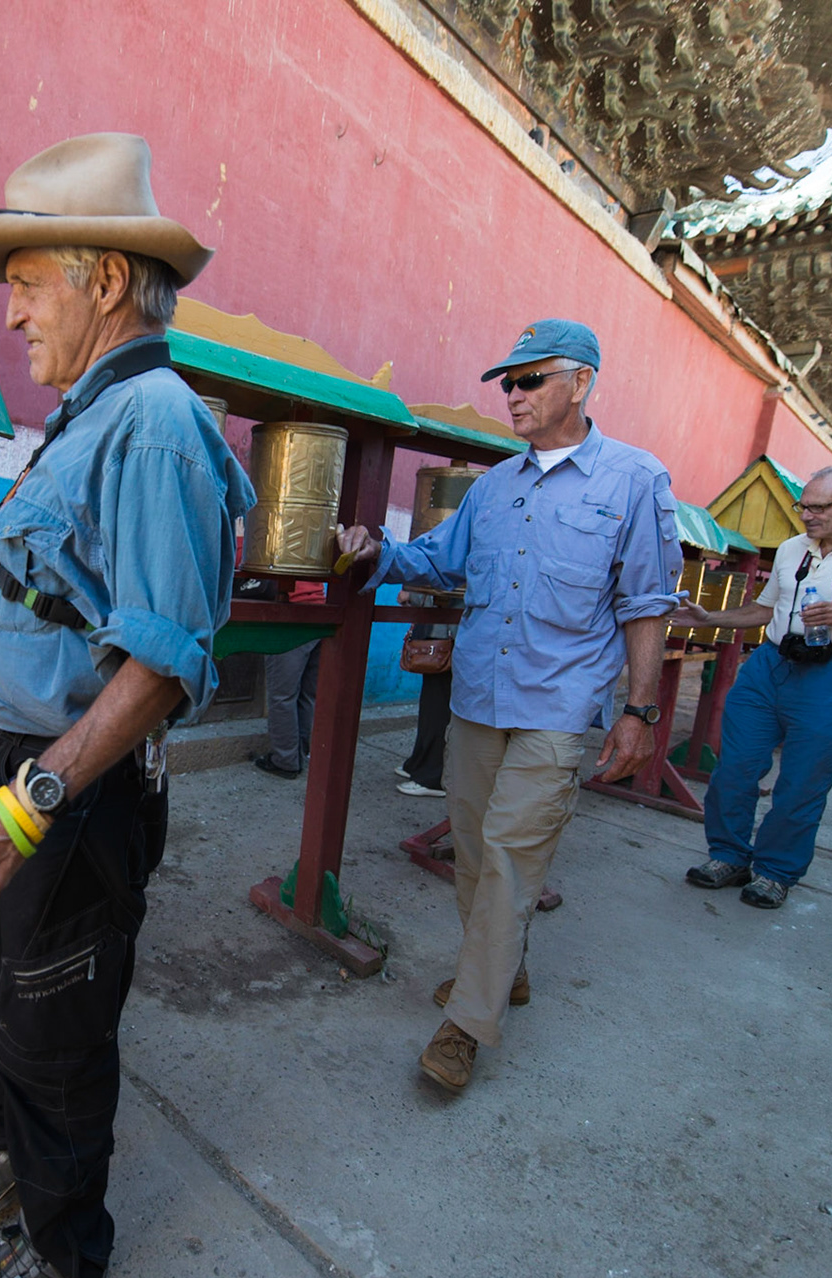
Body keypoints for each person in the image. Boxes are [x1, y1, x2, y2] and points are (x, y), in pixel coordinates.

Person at [0, 133, 254, 1278]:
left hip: (73, 779)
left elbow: (160, 663)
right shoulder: (92, 418)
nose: (11, 317)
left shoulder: (155, 422)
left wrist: (27, 805)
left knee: (53, 1036)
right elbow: (72, 588)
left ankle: (65, 1252)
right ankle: (11, 1141)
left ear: (100, 279)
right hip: (5, 748)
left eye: (25, 286)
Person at [337, 319, 681, 1092]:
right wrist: (378, 551)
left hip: (557, 710)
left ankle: (467, 1021)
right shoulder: (494, 487)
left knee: (510, 856)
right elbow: (438, 559)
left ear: (582, 381)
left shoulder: (634, 479)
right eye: (507, 382)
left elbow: (647, 603)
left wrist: (640, 711)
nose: (512, 395)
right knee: (470, 848)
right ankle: (505, 969)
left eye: (530, 379)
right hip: (479, 700)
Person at [672, 467, 832, 908]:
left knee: (801, 782)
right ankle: (728, 855)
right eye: (803, 506)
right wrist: (710, 619)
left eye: (818, 507)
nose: (806, 516)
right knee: (734, 769)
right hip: (769, 664)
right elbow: (762, 609)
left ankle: (774, 871)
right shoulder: (794, 549)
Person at [253, 579, 324, 779]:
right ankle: (298, 754)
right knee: (306, 695)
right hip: (320, 609)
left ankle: (285, 761)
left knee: (282, 695)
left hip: (289, 611)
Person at [395, 588, 454, 797]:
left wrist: (414, 596)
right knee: (431, 705)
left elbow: (452, 587)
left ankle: (433, 777)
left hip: (449, 634)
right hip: (439, 630)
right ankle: (419, 763)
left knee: (438, 708)